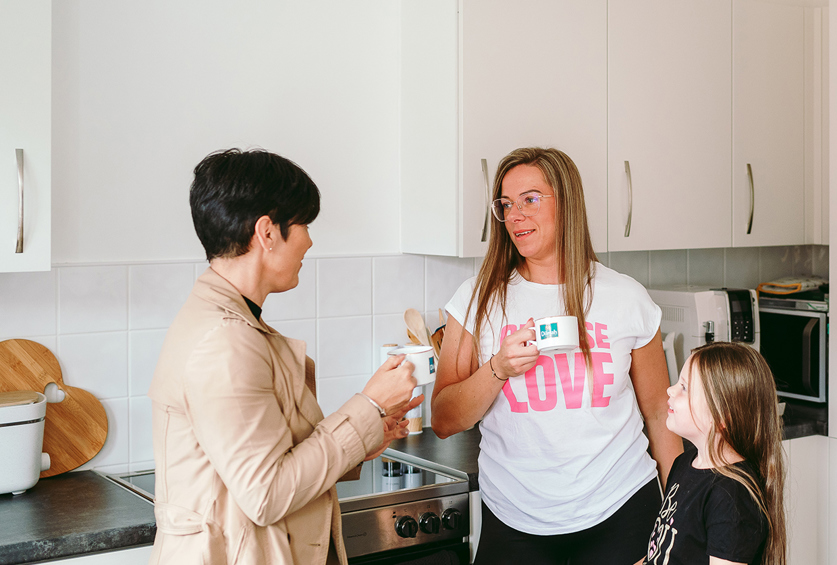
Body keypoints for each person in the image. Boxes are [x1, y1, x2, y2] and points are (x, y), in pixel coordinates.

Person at [147, 148, 422, 565]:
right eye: (303, 224)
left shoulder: (227, 320)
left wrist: (369, 434)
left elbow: (270, 455)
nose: (309, 241)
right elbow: (266, 493)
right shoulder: (224, 341)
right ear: (267, 232)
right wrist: (369, 405)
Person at [430, 147, 683, 564]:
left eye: (530, 199)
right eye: (506, 204)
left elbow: (658, 413)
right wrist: (497, 369)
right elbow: (443, 419)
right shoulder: (477, 300)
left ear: (566, 204)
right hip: (514, 518)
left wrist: (681, 515)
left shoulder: (626, 297)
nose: (514, 215)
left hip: (621, 507)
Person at [643, 342, 787, 565]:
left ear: (721, 416)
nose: (670, 390)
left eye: (684, 387)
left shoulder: (731, 496)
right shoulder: (684, 463)